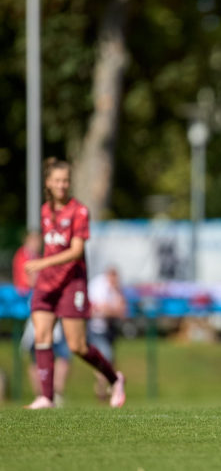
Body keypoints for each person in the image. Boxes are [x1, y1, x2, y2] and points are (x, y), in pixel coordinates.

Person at [23, 157, 126, 409]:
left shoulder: (79, 211)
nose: (62, 185)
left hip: (72, 284)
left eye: (66, 181)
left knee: (77, 346)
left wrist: (41, 264)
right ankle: (46, 397)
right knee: (42, 336)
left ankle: (115, 378)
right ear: (48, 183)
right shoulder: (46, 211)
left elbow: (76, 251)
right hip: (48, 285)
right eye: (57, 181)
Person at [14, 230, 72, 405]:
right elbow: (27, 281)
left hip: (47, 306)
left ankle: (53, 392)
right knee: (36, 351)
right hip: (34, 310)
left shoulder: (38, 257)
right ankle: (42, 394)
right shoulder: (23, 257)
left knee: (61, 352)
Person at [87, 267, 128, 401]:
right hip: (95, 328)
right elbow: (99, 310)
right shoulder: (98, 287)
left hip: (108, 329)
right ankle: (107, 386)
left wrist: (114, 309)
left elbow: (123, 309)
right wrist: (114, 310)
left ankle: (107, 386)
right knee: (105, 357)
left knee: (109, 359)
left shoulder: (115, 288)